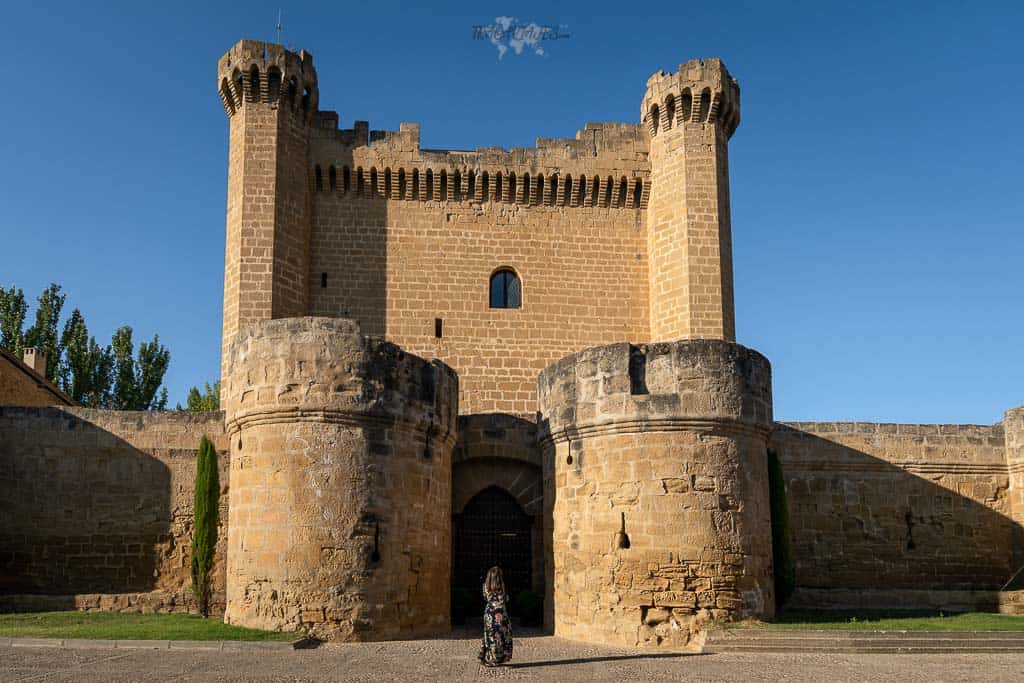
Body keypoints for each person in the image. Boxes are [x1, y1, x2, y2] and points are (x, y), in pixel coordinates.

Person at [477, 566, 513, 666]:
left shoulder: (485, 585)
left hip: (489, 613)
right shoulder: (501, 586)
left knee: (490, 636)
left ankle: (488, 657)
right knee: (502, 636)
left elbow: (485, 597)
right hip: (501, 613)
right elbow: (505, 599)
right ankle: (499, 658)